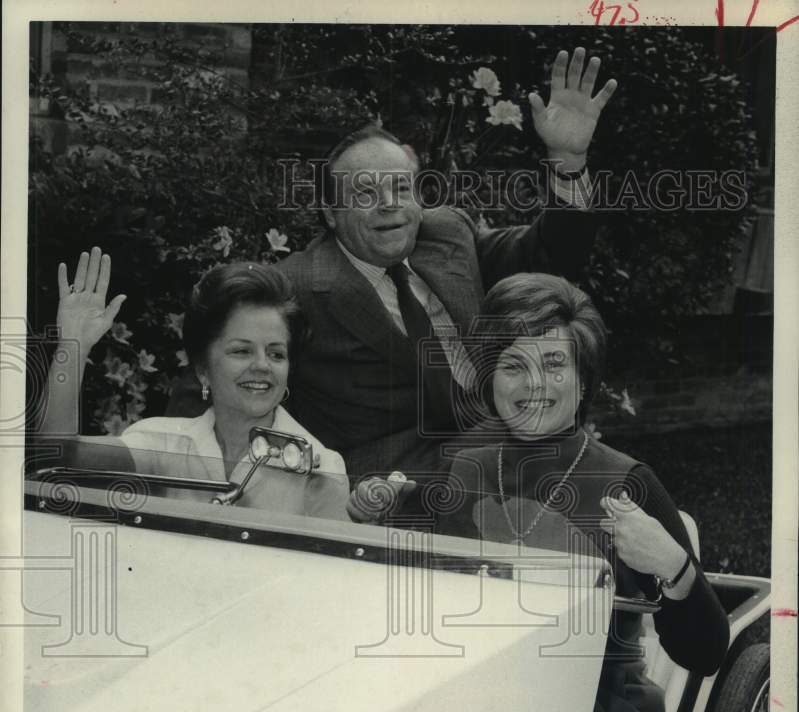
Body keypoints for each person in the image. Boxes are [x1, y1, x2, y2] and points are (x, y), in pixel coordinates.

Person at [168, 48, 618, 479]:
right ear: (330, 213)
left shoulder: (446, 234)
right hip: (391, 487)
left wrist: (568, 162)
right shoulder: (297, 285)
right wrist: (198, 482)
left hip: (512, 445)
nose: (391, 206)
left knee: (609, 488)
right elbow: (210, 377)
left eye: (402, 189)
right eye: (366, 194)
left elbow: (552, 256)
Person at [437, 273, 730, 712]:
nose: (535, 385)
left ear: (583, 378)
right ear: (488, 378)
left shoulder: (627, 481)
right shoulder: (464, 466)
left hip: (596, 704)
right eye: (512, 365)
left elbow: (707, 653)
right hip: (480, 687)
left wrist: (672, 563)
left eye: (553, 363)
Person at [38, 248, 347, 503]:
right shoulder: (163, 443)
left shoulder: (320, 467)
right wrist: (73, 347)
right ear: (202, 369)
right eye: (241, 351)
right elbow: (58, 459)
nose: (263, 365)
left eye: (277, 353)